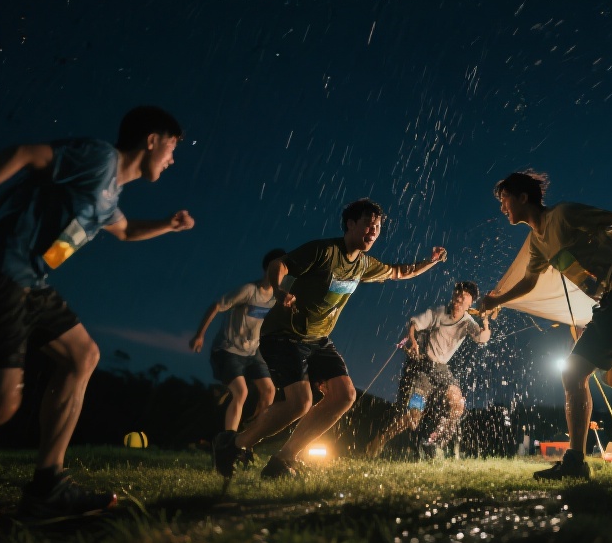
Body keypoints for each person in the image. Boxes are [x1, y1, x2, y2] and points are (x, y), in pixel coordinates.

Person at [0, 106, 195, 518]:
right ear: (152, 139)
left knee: (82, 355)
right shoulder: (98, 157)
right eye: (173, 147)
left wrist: (167, 225)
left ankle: (47, 486)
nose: (173, 159)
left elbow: (124, 231)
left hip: (30, 282)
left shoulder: (109, 195)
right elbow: (22, 154)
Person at [211, 198, 448, 479]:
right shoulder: (324, 251)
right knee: (299, 403)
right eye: (368, 225)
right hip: (285, 335)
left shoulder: (363, 265)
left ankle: (283, 461)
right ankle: (233, 445)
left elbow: (399, 271)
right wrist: (278, 291)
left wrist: (430, 262)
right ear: (351, 224)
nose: (373, 232)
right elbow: (279, 264)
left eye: (378, 228)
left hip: (319, 339)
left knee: (344, 395)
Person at [476, 171, 612, 480]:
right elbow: (529, 282)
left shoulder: (563, 214)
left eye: (505, 200)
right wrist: (497, 299)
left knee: (573, 372)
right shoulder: (537, 242)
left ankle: (575, 462)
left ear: (523, 197)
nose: (502, 207)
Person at [365, 281, 491, 459]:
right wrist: (413, 340)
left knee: (458, 405)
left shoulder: (468, 323)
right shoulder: (439, 312)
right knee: (413, 417)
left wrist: (485, 319)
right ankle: (380, 439)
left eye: (464, 297)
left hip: (442, 370)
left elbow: (483, 338)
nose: (459, 298)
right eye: (457, 294)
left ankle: (433, 442)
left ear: (470, 304)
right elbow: (415, 324)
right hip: (422, 369)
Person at [189, 248, 287, 434]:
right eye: (281, 269)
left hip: (252, 352)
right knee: (241, 392)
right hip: (228, 350)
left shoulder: (277, 298)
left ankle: (250, 436)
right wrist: (200, 335)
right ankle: (228, 442)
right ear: (270, 269)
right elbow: (217, 305)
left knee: (269, 391)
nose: (283, 275)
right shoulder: (249, 291)